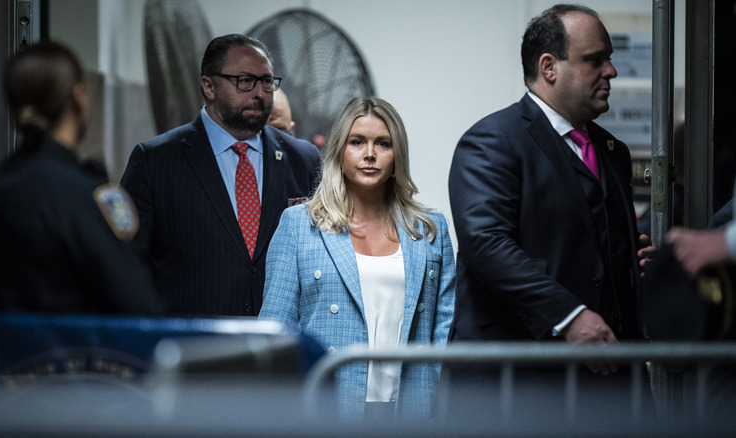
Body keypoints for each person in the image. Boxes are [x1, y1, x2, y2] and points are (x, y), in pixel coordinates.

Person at [447, 4, 653, 421]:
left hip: (609, 386)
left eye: (609, 58)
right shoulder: (492, 141)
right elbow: (485, 242)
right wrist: (570, 315)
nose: (611, 71)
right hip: (521, 386)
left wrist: (633, 261)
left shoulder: (613, 152)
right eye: (595, 60)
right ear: (549, 67)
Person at [259, 97, 454, 417]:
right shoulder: (298, 224)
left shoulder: (431, 231)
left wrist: (431, 395)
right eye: (357, 142)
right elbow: (275, 331)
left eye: (383, 143)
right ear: (340, 150)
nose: (370, 154)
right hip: (325, 406)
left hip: (410, 409)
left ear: (397, 154)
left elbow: (443, 332)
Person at [121, 34, 321, 317]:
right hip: (191, 348)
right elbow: (127, 266)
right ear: (209, 86)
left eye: (266, 81)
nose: (259, 93)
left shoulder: (303, 159)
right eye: (244, 81)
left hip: (278, 348)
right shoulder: (156, 161)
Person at [0, 41, 162, 315]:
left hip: (4, 357)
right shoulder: (91, 198)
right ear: (79, 98)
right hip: (74, 356)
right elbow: (140, 306)